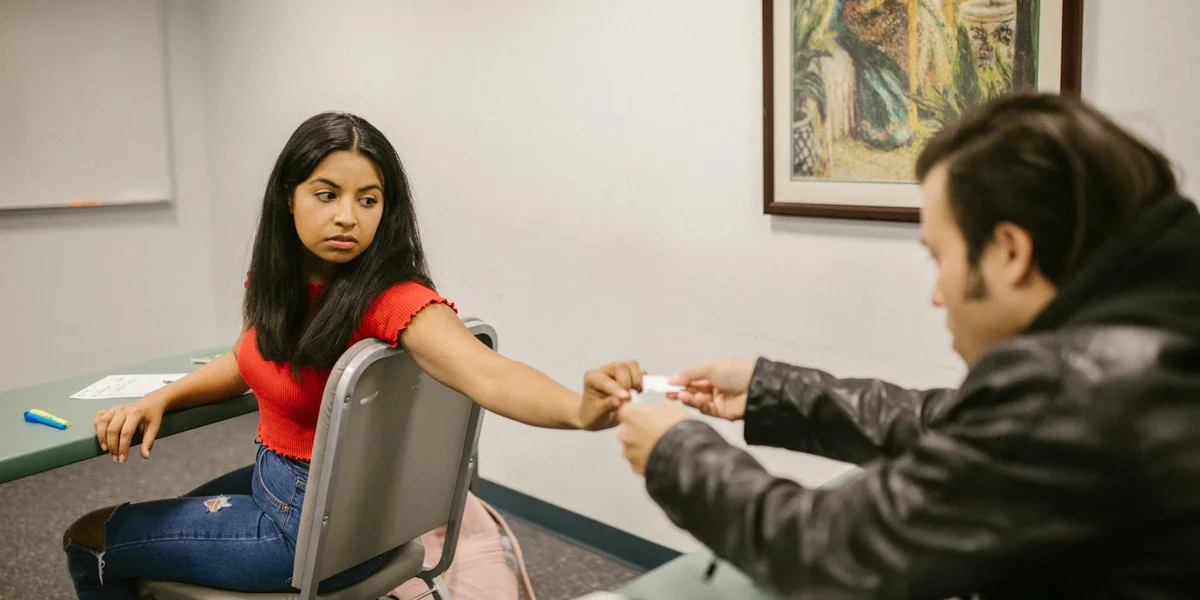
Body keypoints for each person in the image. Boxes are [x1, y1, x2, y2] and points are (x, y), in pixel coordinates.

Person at [615, 92, 1200, 599]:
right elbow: (959, 425)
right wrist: (772, 391)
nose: (937, 295)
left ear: (1009, 253)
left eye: (939, 257)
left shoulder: (1084, 389)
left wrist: (675, 452)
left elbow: (828, 552)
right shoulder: (1153, 340)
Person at [62, 112, 644, 599]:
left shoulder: (392, 301)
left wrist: (579, 409)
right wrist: (166, 394)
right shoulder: (281, 283)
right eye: (327, 194)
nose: (348, 216)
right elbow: (252, 357)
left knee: (92, 535)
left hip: (304, 530)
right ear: (288, 199)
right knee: (159, 517)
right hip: (346, 510)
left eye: (368, 200)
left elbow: (486, 372)